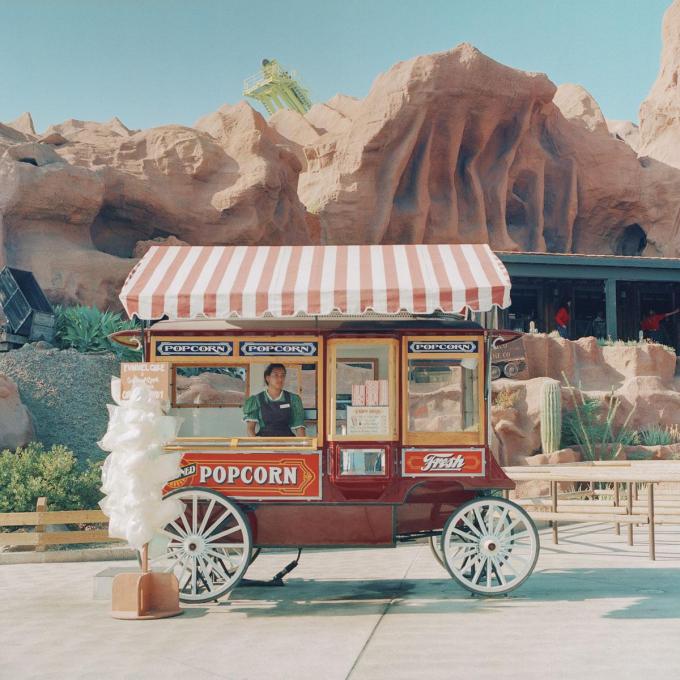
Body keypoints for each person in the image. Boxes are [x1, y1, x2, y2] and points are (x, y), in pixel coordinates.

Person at [243, 363, 306, 437]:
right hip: (264, 442)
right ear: (268, 378)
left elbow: (300, 428)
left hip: (287, 442)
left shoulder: (294, 399)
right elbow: (250, 429)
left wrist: (301, 446)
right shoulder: (256, 400)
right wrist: (257, 445)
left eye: (282, 376)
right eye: (276, 375)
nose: (280, 379)